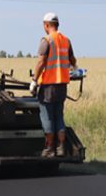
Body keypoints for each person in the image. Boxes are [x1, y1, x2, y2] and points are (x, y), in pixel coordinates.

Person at [30, 12, 77, 157]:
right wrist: (74, 68)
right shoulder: (66, 40)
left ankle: (50, 148)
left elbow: (41, 62)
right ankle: (61, 148)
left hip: (48, 86)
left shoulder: (47, 40)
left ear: (46, 25)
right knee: (59, 116)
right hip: (62, 86)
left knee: (47, 117)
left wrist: (34, 80)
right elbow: (72, 59)